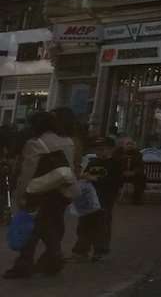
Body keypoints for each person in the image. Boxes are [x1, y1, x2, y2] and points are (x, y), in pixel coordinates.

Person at [5, 111, 75, 278]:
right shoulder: (68, 141)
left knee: (31, 228)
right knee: (52, 226)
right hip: (61, 192)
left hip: (39, 191)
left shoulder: (35, 143)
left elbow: (27, 173)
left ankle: (25, 264)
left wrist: (20, 195)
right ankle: (53, 259)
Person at [70, 132, 125, 261]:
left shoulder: (115, 164)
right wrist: (84, 177)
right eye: (97, 149)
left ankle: (100, 250)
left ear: (111, 149)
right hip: (89, 198)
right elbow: (85, 175)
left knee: (102, 224)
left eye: (102, 149)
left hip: (104, 198)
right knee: (84, 224)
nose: (99, 152)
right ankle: (81, 250)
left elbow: (116, 181)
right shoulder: (93, 162)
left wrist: (96, 179)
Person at [119, 138, 146, 206]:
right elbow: (115, 163)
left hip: (133, 174)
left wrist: (134, 172)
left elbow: (140, 165)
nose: (130, 145)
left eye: (131, 144)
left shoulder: (138, 154)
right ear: (123, 145)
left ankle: (137, 198)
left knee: (141, 177)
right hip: (120, 173)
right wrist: (122, 171)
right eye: (128, 144)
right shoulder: (118, 152)